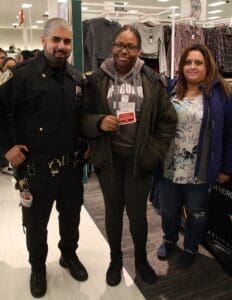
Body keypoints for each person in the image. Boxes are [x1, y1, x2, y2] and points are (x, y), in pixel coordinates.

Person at [81, 25, 177, 286]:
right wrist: (99, 122)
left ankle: (141, 262)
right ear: (112, 46)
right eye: (120, 45)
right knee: (113, 212)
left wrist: (153, 153)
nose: (125, 51)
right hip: (109, 160)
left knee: (137, 215)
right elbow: (82, 118)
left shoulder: (152, 80)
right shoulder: (96, 80)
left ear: (139, 49)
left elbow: (168, 121)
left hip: (140, 161)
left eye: (131, 46)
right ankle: (115, 260)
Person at [0, 18, 89, 298]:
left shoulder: (76, 78)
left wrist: (87, 141)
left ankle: (68, 255)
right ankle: (37, 267)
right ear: (43, 41)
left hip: (70, 168)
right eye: (56, 40)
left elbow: (81, 118)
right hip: (35, 170)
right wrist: (7, 148)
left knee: (71, 218)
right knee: (36, 224)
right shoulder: (22, 75)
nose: (61, 46)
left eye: (66, 41)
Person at [157, 44, 232, 268]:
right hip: (169, 166)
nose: (192, 66)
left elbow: (229, 133)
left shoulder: (221, 94)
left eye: (198, 62)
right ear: (181, 66)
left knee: (197, 212)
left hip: (200, 169)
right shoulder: (171, 88)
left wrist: (227, 167)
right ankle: (169, 240)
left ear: (208, 66)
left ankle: (191, 247)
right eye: (188, 62)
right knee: (169, 210)